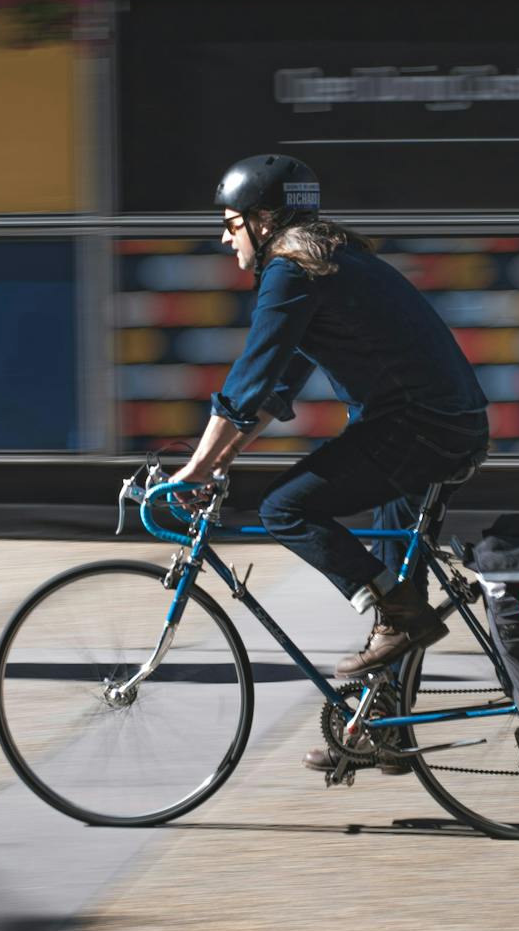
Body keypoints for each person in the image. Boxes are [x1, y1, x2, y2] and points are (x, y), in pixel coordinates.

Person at [168, 154, 491, 772]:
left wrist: (197, 467)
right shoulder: (329, 262)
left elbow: (249, 376)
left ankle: (398, 621)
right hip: (441, 425)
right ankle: (387, 729)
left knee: (285, 509)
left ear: (263, 221)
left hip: (419, 429)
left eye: (231, 224)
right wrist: (220, 460)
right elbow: (276, 385)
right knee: (397, 578)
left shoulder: (291, 271)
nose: (226, 238)